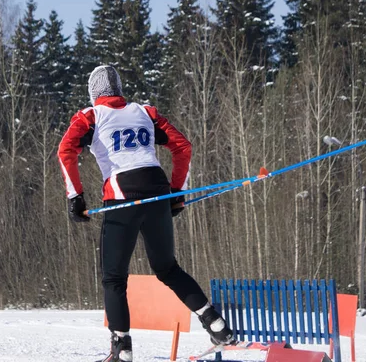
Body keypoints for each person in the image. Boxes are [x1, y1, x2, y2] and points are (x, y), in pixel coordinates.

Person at [57, 65, 234, 362]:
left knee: (114, 278)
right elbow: (183, 147)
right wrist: (176, 194)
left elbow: (66, 150)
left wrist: (75, 197)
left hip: (122, 197)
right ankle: (216, 324)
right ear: (119, 88)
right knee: (167, 269)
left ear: (93, 91)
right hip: (158, 190)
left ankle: (122, 349)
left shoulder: (90, 116)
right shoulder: (145, 112)